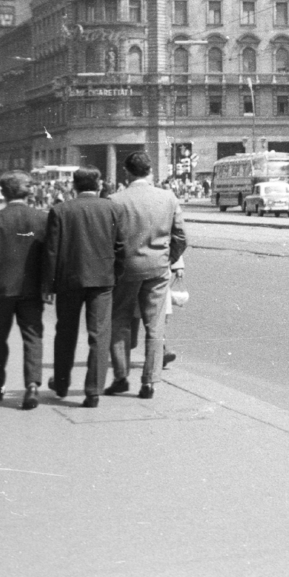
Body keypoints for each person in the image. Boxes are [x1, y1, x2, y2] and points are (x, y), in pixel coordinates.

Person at [107, 151, 186, 400]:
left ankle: (120, 377)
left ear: (127, 172)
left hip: (125, 270)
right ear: (150, 171)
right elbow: (181, 237)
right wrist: (168, 259)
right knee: (155, 326)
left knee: (119, 322)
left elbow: (108, 240)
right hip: (157, 269)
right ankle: (149, 381)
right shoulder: (168, 197)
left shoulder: (114, 200)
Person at [43, 166, 123, 407]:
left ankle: (62, 383)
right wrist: (114, 276)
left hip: (69, 281)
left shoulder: (59, 210)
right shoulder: (112, 209)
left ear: (74, 186)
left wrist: (48, 286)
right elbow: (122, 247)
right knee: (99, 335)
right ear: (98, 185)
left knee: (65, 333)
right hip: (102, 281)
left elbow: (51, 252)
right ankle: (93, 390)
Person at [0, 171, 48, 409]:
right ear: (28, 191)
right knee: (33, 337)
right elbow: (50, 256)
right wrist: (48, 286)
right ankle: (32, 386)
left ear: (3, 193)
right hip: (32, 290)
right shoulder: (42, 219)